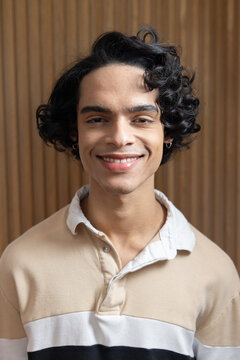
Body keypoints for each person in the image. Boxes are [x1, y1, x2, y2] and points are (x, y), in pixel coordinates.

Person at [0, 28, 239, 360]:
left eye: (141, 119)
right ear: (75, 132)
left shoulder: (215, 274)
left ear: (167, 130)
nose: (119, 137)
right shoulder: (18, 265)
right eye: (98, 119)